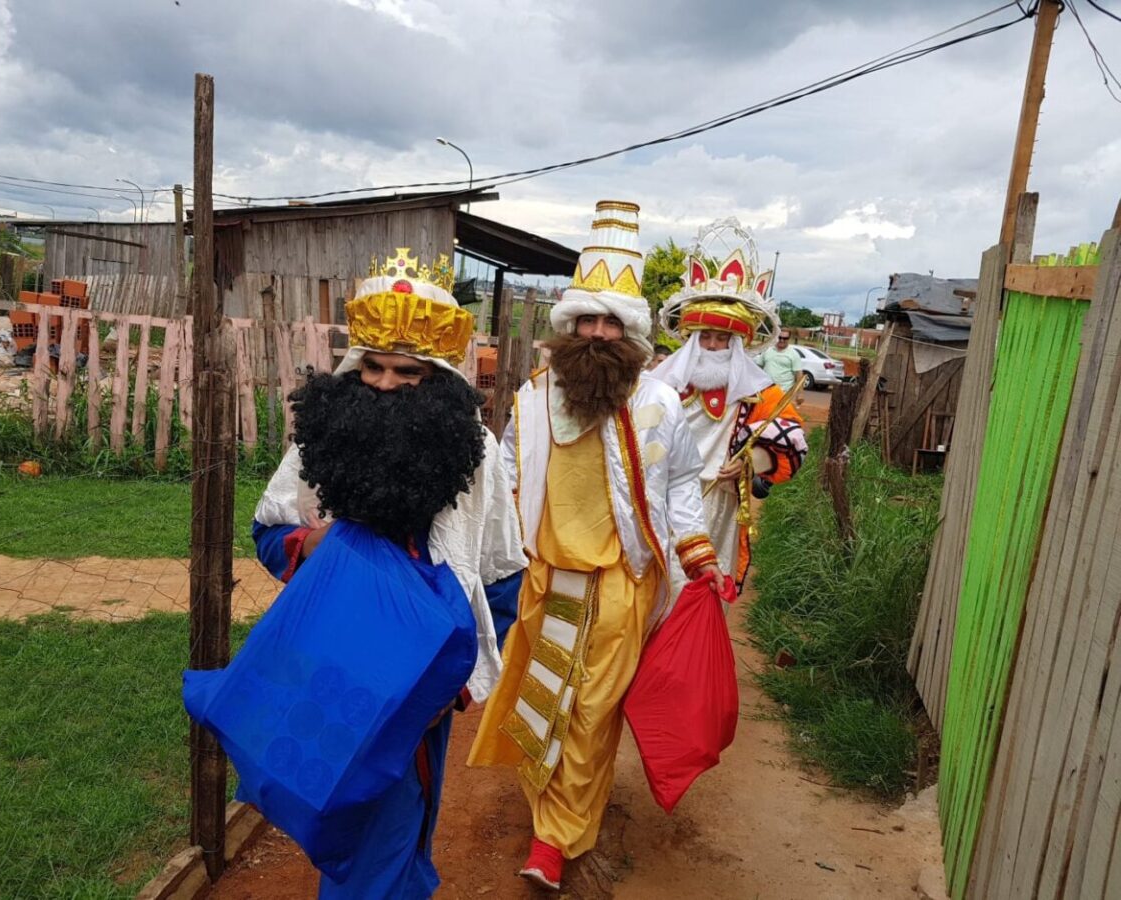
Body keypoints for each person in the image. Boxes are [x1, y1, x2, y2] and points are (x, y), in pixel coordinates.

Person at [249, 248, 528, 899]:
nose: (382, 383)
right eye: (371, 365)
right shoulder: (323, 438)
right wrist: (308, 545)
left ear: (434, 376)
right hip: (334, 671)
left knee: (399, 825)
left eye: (406, 371)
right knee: (347, 820)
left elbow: (499, 569)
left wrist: (459, 676)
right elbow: (268, 532)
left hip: (422, 685)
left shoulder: (476, 451)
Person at [468, 201, 724, 891]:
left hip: (621, 584)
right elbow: (511, 482)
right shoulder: (534, 398)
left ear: (632, 332)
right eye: (590, 319)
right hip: (548, 579)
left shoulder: (658, 405)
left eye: (614, 322)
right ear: (569, 324)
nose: (600, 332)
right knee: (539, 707)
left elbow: (678, 493)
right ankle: (546, 813)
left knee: (589, 712)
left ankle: (555, 841)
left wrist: (697, 551)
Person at [652, 219, 808, 595]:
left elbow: (794, 441)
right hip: (659, 498)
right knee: (651, 591)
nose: (712, 345)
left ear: (736, 343)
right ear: (691, 339)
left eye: (722, 338)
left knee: (698, 591)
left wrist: (751, 462)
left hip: (717, 504)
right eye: (704, 336)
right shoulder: (660, 382)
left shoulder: (759, 391)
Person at [756, 328, 802, 393]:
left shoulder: (794, 354)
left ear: (789, 339)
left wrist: (800, 394)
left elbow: (798, 375)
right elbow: (758, 368)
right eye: (779, 337)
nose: (782, 340)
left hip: (783, 393)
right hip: (765, 390)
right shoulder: (767, 350)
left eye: (785, 338)